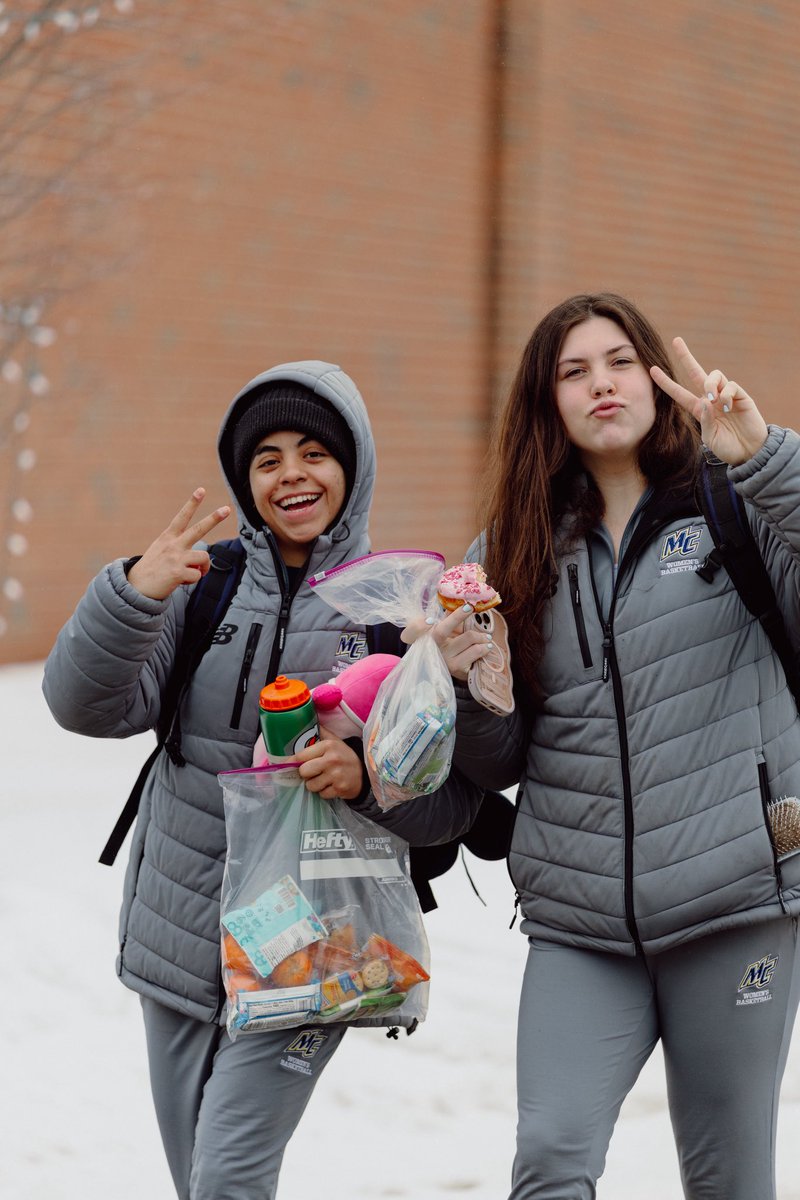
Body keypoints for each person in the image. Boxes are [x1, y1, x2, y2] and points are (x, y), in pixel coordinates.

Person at [42, 360, 487, 1200]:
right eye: (267, 458)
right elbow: (84, 707)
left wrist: (363, 779)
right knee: (201, 1178)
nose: (292, 474)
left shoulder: (396, 611)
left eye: (314, 451)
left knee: (229, 1177)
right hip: (182, 926)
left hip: (319, 945)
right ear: (244, 481)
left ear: (351, 467)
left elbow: (453, 805)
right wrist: (132, 597)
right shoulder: (195, 588)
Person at [423, 294, 800, 1200]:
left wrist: (765, 461)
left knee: (727, 1177)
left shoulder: (734, 504)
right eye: (573, 370)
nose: (601, 385)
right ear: (545, 402)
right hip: (581, 926)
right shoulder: (510, 551)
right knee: (551, 1158)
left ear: (656, 380)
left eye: (620, 361)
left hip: (735, 902)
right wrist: (474, 687)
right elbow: (500, 759)